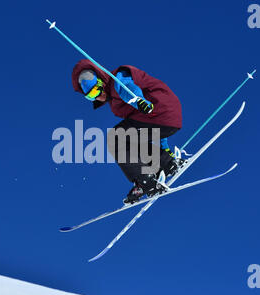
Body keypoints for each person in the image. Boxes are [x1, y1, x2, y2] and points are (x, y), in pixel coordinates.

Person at [71, 59, 183, 204]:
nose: (97, 96)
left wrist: (139, 101)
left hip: (158, 111)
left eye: (95, 90)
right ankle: (166, 164)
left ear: (101, 80)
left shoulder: (118, 79)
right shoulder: (115, 103)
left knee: (115, 137)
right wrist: (165, 149)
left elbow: (128, 90)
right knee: (128, 139)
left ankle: (145, 180)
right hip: (166, 118)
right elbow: (150, 127)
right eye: (90, 96)